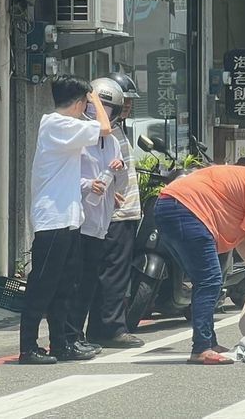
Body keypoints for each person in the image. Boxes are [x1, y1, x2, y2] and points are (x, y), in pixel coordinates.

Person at [154, 155, 245, 365]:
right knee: (209, 280)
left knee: (206, 280)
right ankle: (201, 348)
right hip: (186, 210)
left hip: (167, 206)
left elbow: (241, 240)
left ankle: (208, 342)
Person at [19, 75, 112, 365]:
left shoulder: (67, 127)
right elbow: (105, 128)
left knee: (66, 284)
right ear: (80, 101)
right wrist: (95, 96)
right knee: (43, 285)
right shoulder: (57, 123)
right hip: (52, 220)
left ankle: (61, 343)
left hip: (69, 219)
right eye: (86, 101)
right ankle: (28, 347)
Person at [65, 78, 129, 354]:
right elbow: (66, 176)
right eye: (95, 105)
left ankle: (78, 335)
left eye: (107, 107)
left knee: (89, 283)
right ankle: (68, 336)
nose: (100, 111)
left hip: (100, 223)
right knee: (75, 284)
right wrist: (87, 185)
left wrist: (116, 173)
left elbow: (119, 182)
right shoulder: (78, 136)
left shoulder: (113, 142)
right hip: (78, 221)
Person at [85, 72, 145, 348]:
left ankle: (102, 328)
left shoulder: (118, 128)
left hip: (124, 212)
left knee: (113, 273)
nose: (128, 106)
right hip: (114, 214)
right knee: (113, 274)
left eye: (131, 101)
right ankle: (111, 329)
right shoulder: (99, 130)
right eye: (124, 100)